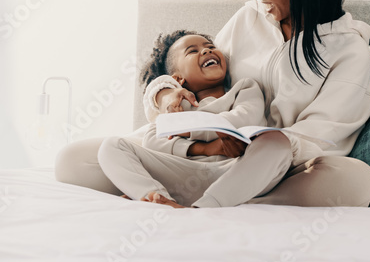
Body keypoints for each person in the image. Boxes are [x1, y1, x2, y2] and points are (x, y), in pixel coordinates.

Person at [57, 0, 370, 207]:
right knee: (73, 159)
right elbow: (196, 72)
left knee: (357, 180)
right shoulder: (248, 19)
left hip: (275, 168)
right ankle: (204, 198)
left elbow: (322, 136)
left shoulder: (348, 50)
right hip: (202, 157)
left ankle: (219, 203)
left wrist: (258, 143)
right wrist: (165, 93)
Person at [97, 31, 292, 208]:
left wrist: (189, 129)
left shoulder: (244, 88)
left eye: (210, 47)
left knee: (278, 144)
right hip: (185, 173)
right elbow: (153, 138)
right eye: (193, 51)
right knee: (111, 146)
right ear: (178, 79)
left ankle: (205, 207)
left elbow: (244, 119)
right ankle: (158, 199)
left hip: (235, 173)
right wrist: (206, 148)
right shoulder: (178, 107)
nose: (207, 51)